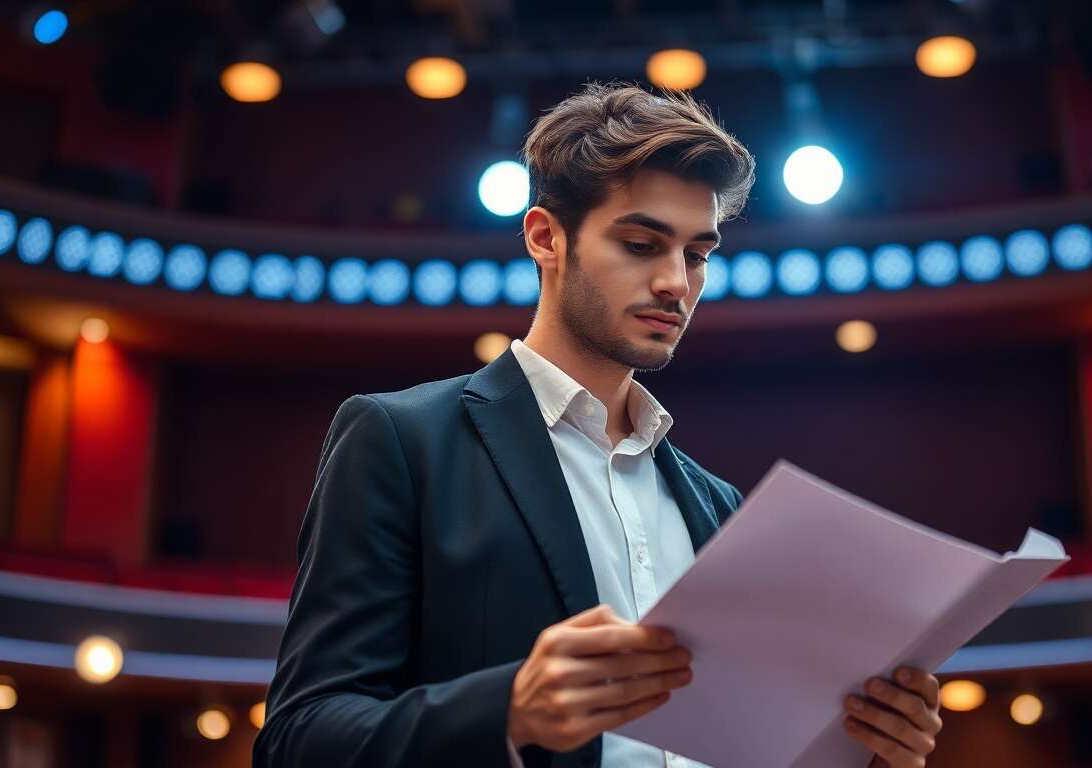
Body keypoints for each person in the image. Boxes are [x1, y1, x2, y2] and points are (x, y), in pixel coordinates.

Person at [253, 81, 942, 768]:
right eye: (643, 243)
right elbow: (298, 739)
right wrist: (509, 711)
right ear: (545, 238)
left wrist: (864, 748)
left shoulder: (718, 503)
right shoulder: (400, 441)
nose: (677, 281)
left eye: (698, 255)